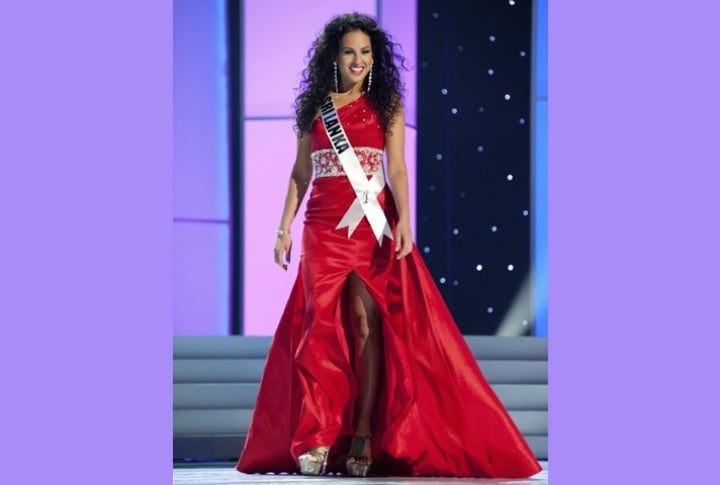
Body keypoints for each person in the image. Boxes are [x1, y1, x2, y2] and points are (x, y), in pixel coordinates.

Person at [236, 12, 541, 478]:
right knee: (318, 328)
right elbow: (301, 174)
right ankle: (314, 436)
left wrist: (405, 221)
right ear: (333, 57)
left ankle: (362, 433)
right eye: (348, 51)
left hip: (372, 223)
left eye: (365, 52)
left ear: (374, 58)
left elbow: (395, 168)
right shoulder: (315, 107)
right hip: (322, 224)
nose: (357, 60)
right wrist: (282, 227)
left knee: (364, 325)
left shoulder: (387, 104)